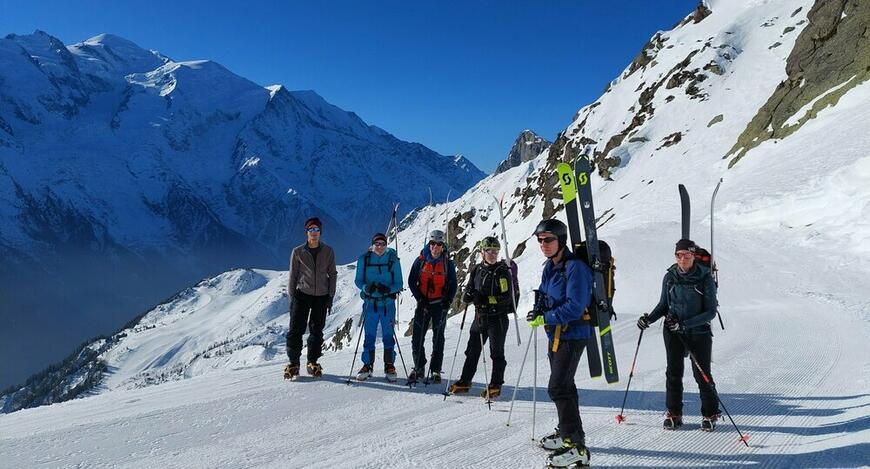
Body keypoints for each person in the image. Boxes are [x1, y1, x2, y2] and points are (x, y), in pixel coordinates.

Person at [526, 219, 592, 468]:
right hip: (555, 334)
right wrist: (539, 309)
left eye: (548, 239)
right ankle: (568, 435)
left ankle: (576, 447)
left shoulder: (575, 268)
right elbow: (546, 295)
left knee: (558, 387)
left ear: (561, 240)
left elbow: (576, 306)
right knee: (566, 385)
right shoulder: (550, 267)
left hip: (573, 334)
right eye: (540, 240)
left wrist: (547, 316)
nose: (543, 244)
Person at [637, 238, 720, 431]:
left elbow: (710, 312)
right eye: (679, 255)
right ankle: (674, 413)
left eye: (687, 255)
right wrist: (648, 320)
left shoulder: (704, 277)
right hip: (672, 331)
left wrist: (684, 324)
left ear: (693, 256)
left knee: (702, 374)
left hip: (698, 331)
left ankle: (710, 413)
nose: (682, 259)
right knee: (673, 373)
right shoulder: (670, 276)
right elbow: (663, 305)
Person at [448, 236, 518, 399]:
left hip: (498, 319)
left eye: (495, 251)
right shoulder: (477, 270)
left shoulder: (502, 273)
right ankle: (465, 381)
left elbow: (506, 297)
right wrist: (467, 296)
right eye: (489, 251)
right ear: (482, 252)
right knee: (472, 351)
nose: (493, 254)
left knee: (496, 352)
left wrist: (486, 300)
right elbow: (471, 288)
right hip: (480, 317)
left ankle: (496, 384)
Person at [284, 217, 337, 380]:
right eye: (311, 230)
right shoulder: (298, 251)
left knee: (316, 331)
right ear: (306, 232)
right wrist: (292, 298)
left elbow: (332, 274)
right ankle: (294, 362)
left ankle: (312, 362)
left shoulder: (328, 251)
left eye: (317, 230)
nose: (314, 233)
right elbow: (293, 276)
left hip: (321, 296)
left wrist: (330, 295)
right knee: (295, 330)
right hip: (302, 295)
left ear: (320, 232)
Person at [407, 229, 457, 384]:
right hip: (423, 304)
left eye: (439, 244)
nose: (436, 247)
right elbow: (411, 280)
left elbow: (453, 284)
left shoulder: (447, 264)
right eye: (433, 243)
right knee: (417, 338)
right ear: (429, 244)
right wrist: (419, 298)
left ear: (443, 246)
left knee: (438, 339)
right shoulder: (420, 260)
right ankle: (419, 367)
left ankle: (436, 369)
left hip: (439, 305)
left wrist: (447, 301)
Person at [354, 233, 403, 382]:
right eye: (377, 244)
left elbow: (399, 283)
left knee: (388, 335)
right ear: (372, 245)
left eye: (383, 244)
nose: (380, 247)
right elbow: (358, 280)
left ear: (386, 245)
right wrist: (365, 287)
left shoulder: (393, 260)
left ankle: (389, 364)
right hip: (370, 304)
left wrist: (388, 290)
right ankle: (367, 364)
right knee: (369, 335)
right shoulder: (364, 259)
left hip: (387, 304)